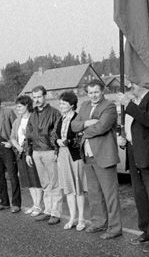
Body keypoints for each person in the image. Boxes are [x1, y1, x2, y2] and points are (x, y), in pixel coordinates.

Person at [118, 80, 149, 251]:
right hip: (133, 151)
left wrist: (129, 104)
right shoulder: (135, 102)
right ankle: (146, 230)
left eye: (131, 86)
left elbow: (148, 120)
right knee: (140, 195)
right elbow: (133, 126)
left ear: (141, 84)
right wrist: (124, 137)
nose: (129, 89)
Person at [72, 80, 121, 238]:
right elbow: (74, 125)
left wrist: (82, 132)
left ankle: (114, 228)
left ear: (102, 91)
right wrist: (86, 122)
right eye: (90, 92)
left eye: (96, 92)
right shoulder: (85, 105)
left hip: (104, 156)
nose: (93, 95)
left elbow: (102, 127)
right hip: (87, 156)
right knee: (94, 193)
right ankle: (99, 222)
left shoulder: (109, 106)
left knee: (110, 194)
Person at [25, 86, 63, 225]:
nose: (37, 100)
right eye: (34, 97)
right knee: (45, 183)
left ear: (45, 96)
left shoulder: (54, 113)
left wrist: (56, 150)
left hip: (49, 151)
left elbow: (58, 133)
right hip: (36, 152)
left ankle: (56, 213)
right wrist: (28, 152)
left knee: (55, 184)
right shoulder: (32, 115)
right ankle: (47, 211)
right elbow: (28, 135)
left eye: (39, 97)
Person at [54, 91, 87, 229]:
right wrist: (57, 141)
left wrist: (68, 142)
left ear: (72, 105)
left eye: (64, 103)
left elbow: (81, 138)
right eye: (60, 103)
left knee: (78, 188)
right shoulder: (60, 119)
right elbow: (53, 135)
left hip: (75, 156)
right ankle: (72, 218)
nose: (61, 105)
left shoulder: (78, 118)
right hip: (62, 155)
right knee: (68, 188)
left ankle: (81, 219)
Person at [10, 95, 44, 214]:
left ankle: (39, 205)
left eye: (20, 106)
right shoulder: (17, 121)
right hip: (21, 153)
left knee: (35, 179)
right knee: (28, 181)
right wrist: (19, 147)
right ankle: (35, 204)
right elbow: (13, 137)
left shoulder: (34, 118)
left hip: (32, 152)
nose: (17, 108)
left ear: (27, 106)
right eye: (17, 106)